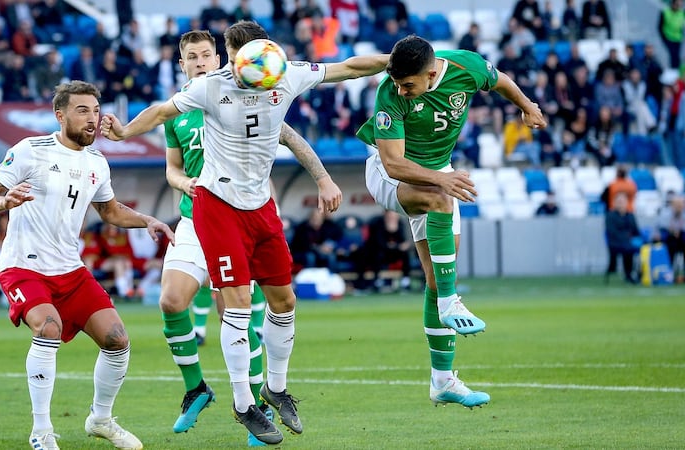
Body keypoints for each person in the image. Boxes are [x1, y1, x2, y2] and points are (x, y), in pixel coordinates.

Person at [101, 20, 385, 444]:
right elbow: (161, 112)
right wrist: (124, 131)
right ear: (231, 57)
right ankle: (241, 403)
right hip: (215, 207)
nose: (254, 63)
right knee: (231, 302)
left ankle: (274, 387)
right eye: (245, 57)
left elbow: (345, 67)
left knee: (284, 300)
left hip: (261, 206)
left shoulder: (283, 72)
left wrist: (395, 60)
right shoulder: (211, 87)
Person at [156, 29, 344, 446]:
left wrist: (323, 177)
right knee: (171, 300)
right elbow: (170, 169)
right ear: (182, 64)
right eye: (192, 57)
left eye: (207, 54)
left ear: (219, 57)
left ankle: (258, 403)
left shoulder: (244, 91)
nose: (201, 62)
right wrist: (182, 181)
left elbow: (290, 136)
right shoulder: (177, 112)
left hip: (243, 215)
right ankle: (197, 388)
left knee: (240, 309)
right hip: (194, 216)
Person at [0, 80, 174, 450]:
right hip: (23, 266)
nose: (93, 120)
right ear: (60, 114)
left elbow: (110, 211)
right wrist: (3, 203)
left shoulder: (97, 161)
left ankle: (101, 420)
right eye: (83, 111)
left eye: (96, 111)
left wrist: (148, 220)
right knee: (48, 328)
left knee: (117, 340)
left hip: (69, 268)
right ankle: (42, 431)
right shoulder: (30, 150)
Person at [357, 35, 546, 408]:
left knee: (438, 274)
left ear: (431, 73)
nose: (401, 90)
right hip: (391, 172)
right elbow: (393, 163)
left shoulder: (465, 67)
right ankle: (450, 302)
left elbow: (502, 80)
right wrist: (441, 179)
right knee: (440, 201)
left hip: (438, 173)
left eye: (408, 84)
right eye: (397, 83)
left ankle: (442, 381)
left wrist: (528, 106)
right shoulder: (390, 94)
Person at [605, 192, 640, 284]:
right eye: (619, 201)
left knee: (633, 247)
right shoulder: (610, 216)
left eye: (623, 201)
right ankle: (627, 274)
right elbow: (611, 231)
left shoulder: (630, 215)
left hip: (628, 242)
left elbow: (635, 230)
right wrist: (626, 237)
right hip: (615, 242)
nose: (621, 204)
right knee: (628, 248)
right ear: (615, 203)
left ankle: (636, 273)